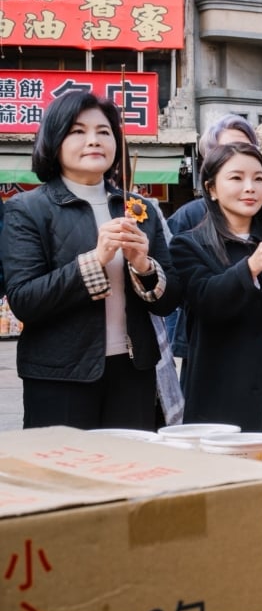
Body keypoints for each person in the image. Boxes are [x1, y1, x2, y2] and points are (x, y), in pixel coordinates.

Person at [0, 90, 181, 429]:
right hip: (59, 376)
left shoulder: (139, 209)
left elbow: (169, 301)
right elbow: (24, 300)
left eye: (103, 131)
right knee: (66, 477)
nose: (93, 140)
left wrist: (144, 266)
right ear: (55, 139)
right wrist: (95, 260)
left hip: (134, 371)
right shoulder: (27, 210)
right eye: (78, 131)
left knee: (130, 474)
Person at [170, 142, 262, 461]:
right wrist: (250, 267)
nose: (250, 188)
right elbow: (206, 301)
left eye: (258, 179)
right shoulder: (189, 245)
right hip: (222, 392)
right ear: (211, 188)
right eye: (236, 178)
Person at [165, 114, 262, 359]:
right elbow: (180, 291)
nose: (238, 155)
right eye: (227, 150)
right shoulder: (188, 217)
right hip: (207, 344)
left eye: (247, 148)